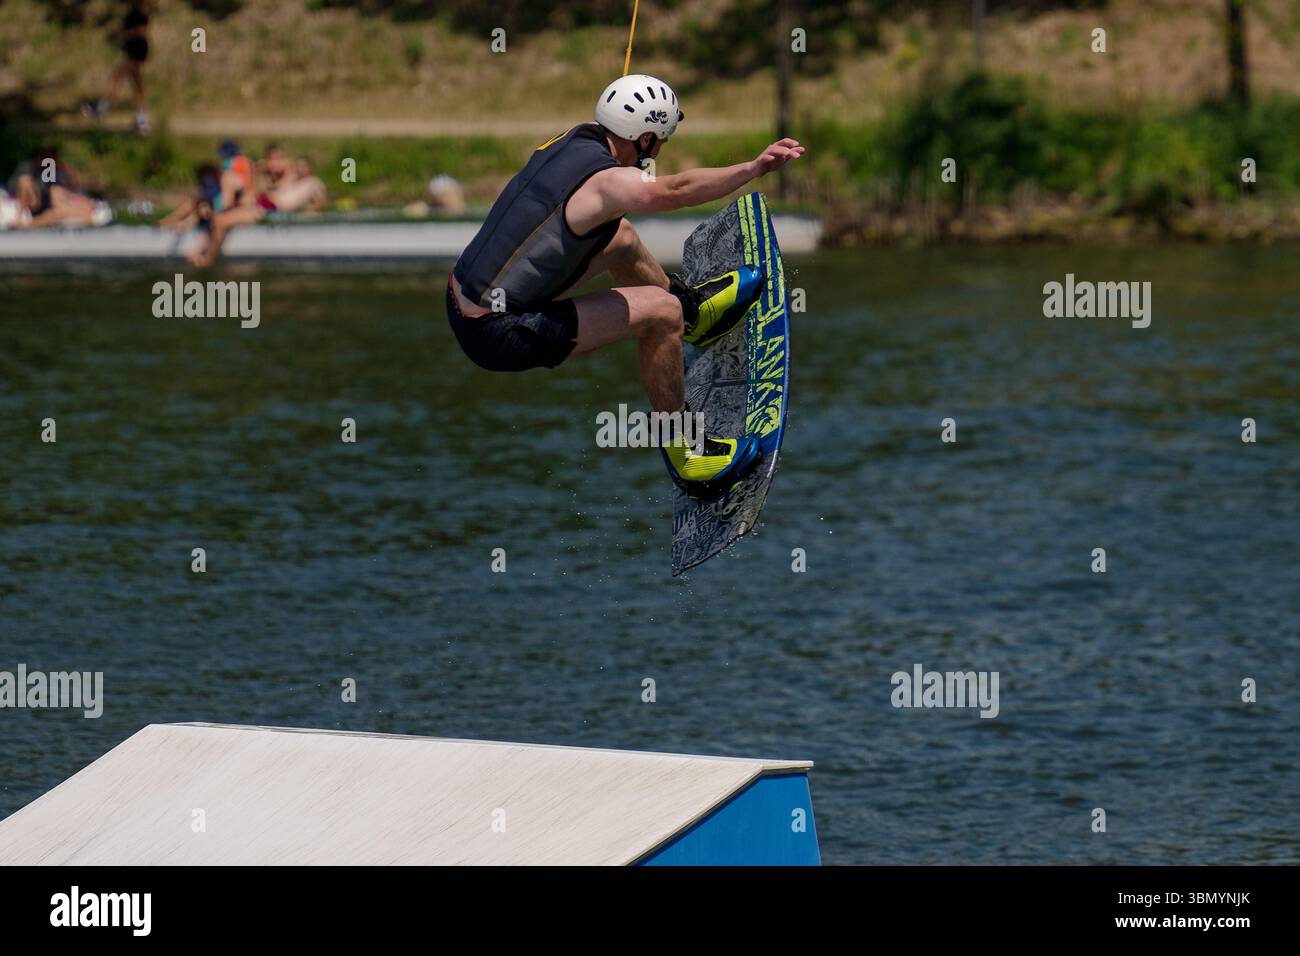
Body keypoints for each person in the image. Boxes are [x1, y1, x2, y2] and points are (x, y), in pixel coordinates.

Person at [446, 74, 804, 497]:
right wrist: (753, 168)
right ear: (646, 138)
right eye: (662, 142)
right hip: (495, 331)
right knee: (659, 313)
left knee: (621, 238)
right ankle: (686, 452)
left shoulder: (573, 139)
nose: (660, 152)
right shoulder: (606, 184)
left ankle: (695, 317)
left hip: (464, 297)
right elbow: (677, 189)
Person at [84, 0, 152, 134]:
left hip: (136, 51)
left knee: (117, 79)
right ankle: (141, 120)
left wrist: (127, 35)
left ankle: (101, 109)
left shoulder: (141, 16)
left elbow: (141, 32)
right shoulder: (136, 14)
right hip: (134, 51)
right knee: (137, 86)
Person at [6, 148, 112, 229]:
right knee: (26, 181)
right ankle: (22, 218)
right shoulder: (27, 169)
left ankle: (29, 225)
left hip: (52, 205)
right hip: (31, 202)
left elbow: (72, 189)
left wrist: (65, 170)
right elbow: (14, 188)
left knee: (56, 200)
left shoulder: (59, 172)